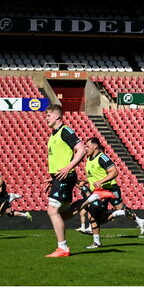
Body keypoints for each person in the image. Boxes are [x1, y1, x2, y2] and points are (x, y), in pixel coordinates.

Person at [80, 137, 144, 249]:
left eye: (87, 146)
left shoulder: (102, 157)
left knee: (119, 210)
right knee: (95, 215)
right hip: (99, 191)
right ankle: (97, 240)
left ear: (95, 146)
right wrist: (84, 181)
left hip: (109, 189)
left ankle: (137, 220)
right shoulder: (89, 159)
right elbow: (93, 176)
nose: (85, 148)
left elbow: (114, 172)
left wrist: (101, 181)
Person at [44, 104, 87, 257]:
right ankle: (86, 202)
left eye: (48, 115)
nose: (46, 118)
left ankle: (62, 248)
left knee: (52, 210)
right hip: (59, 177)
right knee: (62, 213)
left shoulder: (65, 131)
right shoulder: (54, 134)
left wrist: (68, 167)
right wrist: (52, 177)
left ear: (57, 116)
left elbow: (81, 149)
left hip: (65, 176)